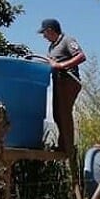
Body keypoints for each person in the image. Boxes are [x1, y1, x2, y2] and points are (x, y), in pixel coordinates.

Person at [39, 18, 86, 157]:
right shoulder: (52, 46)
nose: (43, 36)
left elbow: (81, 56)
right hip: (58, 82)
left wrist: (61, 66)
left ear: (50, 30)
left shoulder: (67, 40)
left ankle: (68, 147)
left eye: (44, 33)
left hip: (69, 81)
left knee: (64, 113)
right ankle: (63, 144)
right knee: (57, 114)